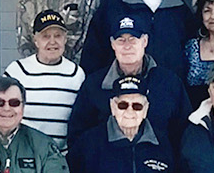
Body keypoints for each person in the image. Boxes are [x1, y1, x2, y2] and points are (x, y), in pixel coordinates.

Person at [67, 11, 187, 150]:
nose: (127, 46)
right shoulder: (94, 84)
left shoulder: (169, 83)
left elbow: (184, 134)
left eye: (133, 39)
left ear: (145, 41)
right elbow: (77, 136)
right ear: (112, 44)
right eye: (121, 40)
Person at [4, 9, 87, 145]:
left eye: (57, 36)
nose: (52, 42)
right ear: (36, 40)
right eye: (46, 36)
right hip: (23, 156)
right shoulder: (17, 71)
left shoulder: (77, 74)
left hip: (61, 158)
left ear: (65, 39)